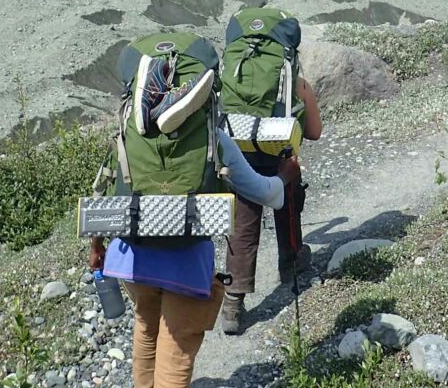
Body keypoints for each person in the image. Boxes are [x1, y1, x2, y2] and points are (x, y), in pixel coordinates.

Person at [88, 129, 299, 388]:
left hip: (132, 259)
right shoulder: (214, 137)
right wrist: (284, 176)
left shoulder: (131, 129)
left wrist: (96, 246)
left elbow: (104, 188)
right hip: (185, 267)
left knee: (146, 327)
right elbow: (267, 194)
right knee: (175, 351)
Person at [221, 75, 322, 334]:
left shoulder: (232, 77)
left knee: (242, 222)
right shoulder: (295, 82)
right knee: (289, 194)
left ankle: (233, 301)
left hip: (239, 154)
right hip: (279, 153)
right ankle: (290, 261)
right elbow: (315, 132)